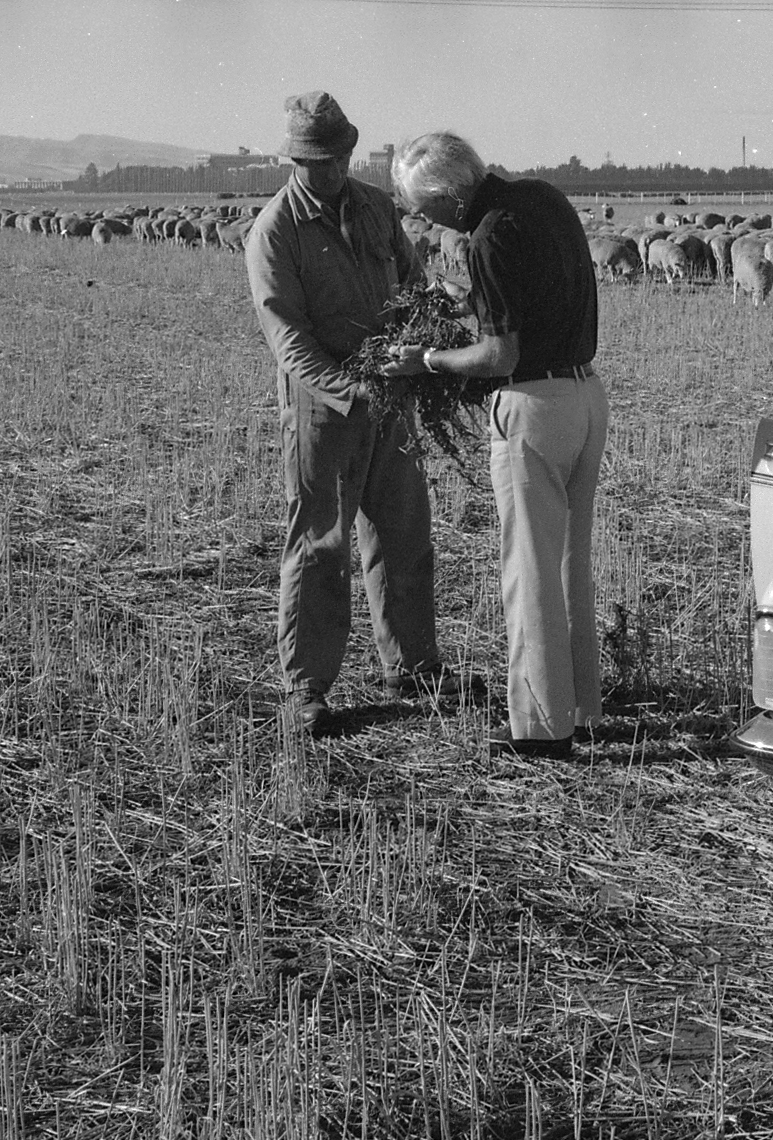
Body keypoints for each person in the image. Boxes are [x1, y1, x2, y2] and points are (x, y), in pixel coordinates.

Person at [383, 131, 606, 759]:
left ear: (450, 199)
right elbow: (538, 301)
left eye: (422, 209)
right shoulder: (546, 197)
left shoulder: (486, 237)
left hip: (534, 407)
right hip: (587, 396)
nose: (422, 220)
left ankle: (540, 729)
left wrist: (425, 360)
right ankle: (582, 708)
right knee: (570, 562)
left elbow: (500, 353)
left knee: (528, 568)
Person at [245, 91, 456, 737]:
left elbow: (415, 281)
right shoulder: (275, 231)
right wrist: (349, 386)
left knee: (403, 534)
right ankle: (305, 688)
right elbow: (287, 336)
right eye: (318, 161)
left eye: (339, 156)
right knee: (319, 546)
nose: (332, 169)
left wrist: (427, 341)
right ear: (294, 159)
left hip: (389, 396)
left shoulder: (373, 207)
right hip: (322, 407)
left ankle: (413, 667)